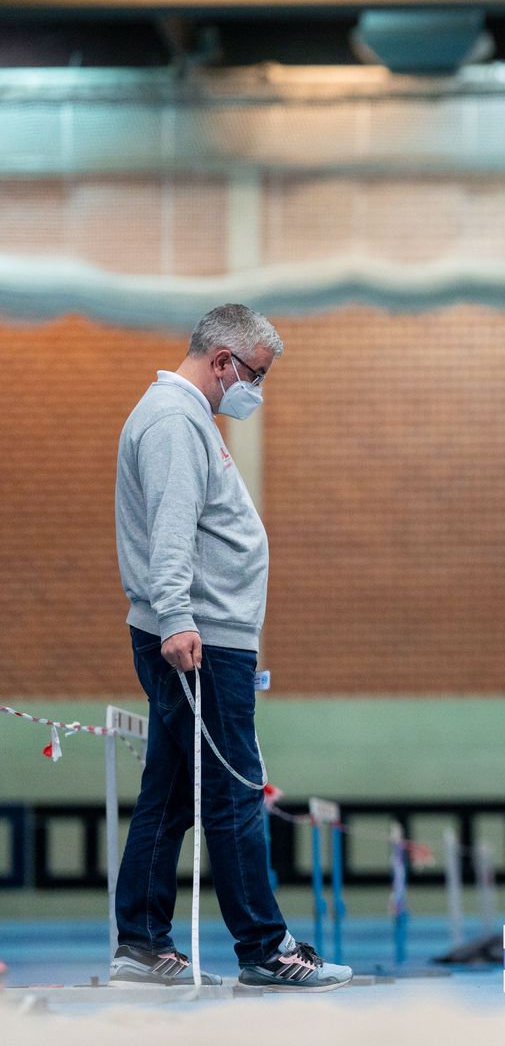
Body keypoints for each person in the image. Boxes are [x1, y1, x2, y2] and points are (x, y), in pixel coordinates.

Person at [111, 304, 351, 991]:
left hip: (205, 634)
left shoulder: (187, 419)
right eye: (255, 375)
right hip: (200, 639)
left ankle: (141, 946)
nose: (257, 391)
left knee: (170, 794)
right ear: (222, 362)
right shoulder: (174, 420)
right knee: (237, 790)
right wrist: (179, 618)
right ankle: (264, 949)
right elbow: (172, 529)